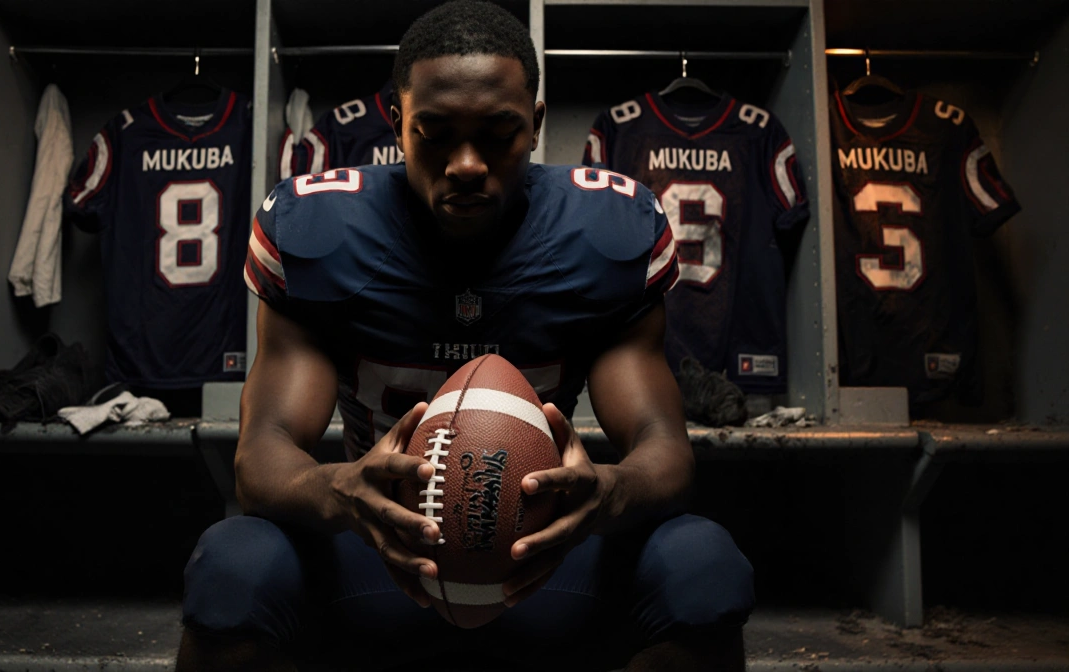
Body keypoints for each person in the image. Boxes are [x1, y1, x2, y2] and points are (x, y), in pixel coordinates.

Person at [175, 2, 753, 670]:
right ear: (397, 123)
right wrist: (338, 489)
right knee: (232, 565)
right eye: (437, 132)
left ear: (535, 125)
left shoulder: (605, 233)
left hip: (538, 560)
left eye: (498, 133)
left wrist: (610, 492)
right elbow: (261, 456)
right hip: (379, 556)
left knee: (702, 565)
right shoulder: (318, 231)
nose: (467, 163)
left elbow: (666, 450)